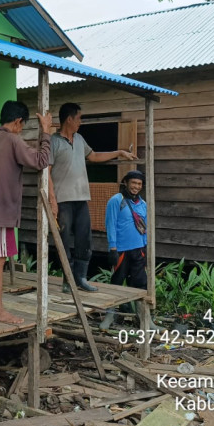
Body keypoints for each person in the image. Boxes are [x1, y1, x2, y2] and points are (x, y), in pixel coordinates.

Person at [0, 100, 52, 325]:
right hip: (2, 212)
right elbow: (41, 161)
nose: (21, 129)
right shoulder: (13, 141)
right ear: (18, 121)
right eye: (23, 125)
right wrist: (45, 132)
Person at [47, 102, 136, 293]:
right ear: (69, 119)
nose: (80, 122)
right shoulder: (53, 141)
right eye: (79, 118)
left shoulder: (79, 139)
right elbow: (47, 171)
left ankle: (80, 278)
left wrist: (119, 152)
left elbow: (94, 156)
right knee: (63, 240)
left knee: (84, 239)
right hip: (62, 200)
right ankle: (67, 280)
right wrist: (52, 199)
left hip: (81, 198)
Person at [101, 170, 147, 329]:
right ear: (126, 183)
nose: (136, 186)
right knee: (117, 283)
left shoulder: (143, 204)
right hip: (121, 250)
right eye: (133, 183)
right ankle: (109, 316)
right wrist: (112, 248)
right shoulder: (116, 200)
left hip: (138, 249)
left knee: (141, 284)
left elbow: (144, 228)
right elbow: (110, 224)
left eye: (139, 184)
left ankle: (146, 320)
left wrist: (145, 248)